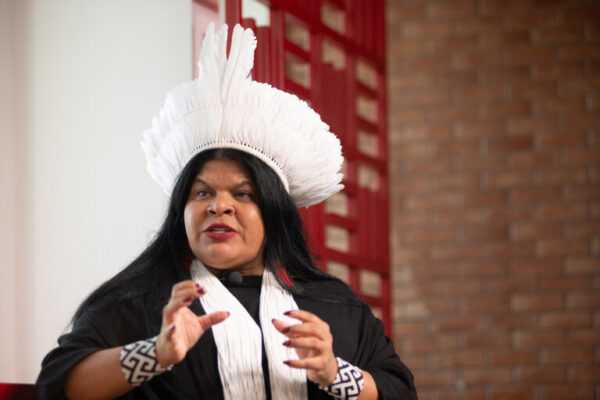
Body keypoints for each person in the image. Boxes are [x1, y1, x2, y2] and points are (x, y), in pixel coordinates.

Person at [36, 24, 418, 400]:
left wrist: (335, 373)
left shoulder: (333, 304)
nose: (219, 206)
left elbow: (399, 390)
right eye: (202, 193)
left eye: (243, 194)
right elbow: (59, 385)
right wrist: (156, 352)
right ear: (181, 211)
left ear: (274, 213)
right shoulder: (140, 302)